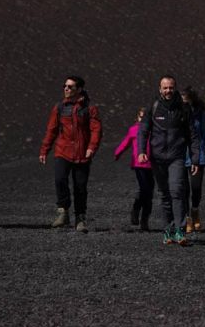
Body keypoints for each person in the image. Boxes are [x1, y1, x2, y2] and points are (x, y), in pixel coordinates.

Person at [137, 75, 201, 246]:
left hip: (176, 157)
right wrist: (141, 151)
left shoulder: (184, 108)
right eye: (165, 88)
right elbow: (143, 131)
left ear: (175, 88)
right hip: (157, 158)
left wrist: (195, 159)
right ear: (160, 89)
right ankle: (168, 230)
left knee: (177, 191)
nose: (168, 91)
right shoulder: (153, 107)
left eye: (171, 87)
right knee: (164, 194)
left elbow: (193, 135)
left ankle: (180, 230)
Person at [39, 75, 102, 233]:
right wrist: (45, 150)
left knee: (80, 187)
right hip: (63, 151)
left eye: (70, 87)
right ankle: (63, 212)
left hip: (82, 154)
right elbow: (52, 130)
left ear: (79, 89)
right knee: (60, 179)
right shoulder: (60, 107)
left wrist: (91, 148)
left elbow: (96, 130)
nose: (66, 89)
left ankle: (80, 218)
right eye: (65, 86)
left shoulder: (89, 108)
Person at [181, 87, 205, 234]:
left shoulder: (199, 114)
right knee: (183, 189)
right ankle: (187, 218)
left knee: (196, 187)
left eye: (186, 102)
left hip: (198, 155)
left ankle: (195, 209)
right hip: (180, 155)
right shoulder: (176, 114)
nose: (184, 105)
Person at [114, 107, 154, 232]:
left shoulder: (154, 130)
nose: (143, 120)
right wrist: (117, 153)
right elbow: (125, 142)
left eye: (146, 117)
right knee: (143, 190)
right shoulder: (134, 129)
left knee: (149, 193)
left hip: (153, 165)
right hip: (139, 164)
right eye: (141, 117)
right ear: (137, 118)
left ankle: (145, 220)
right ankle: (136, 210)